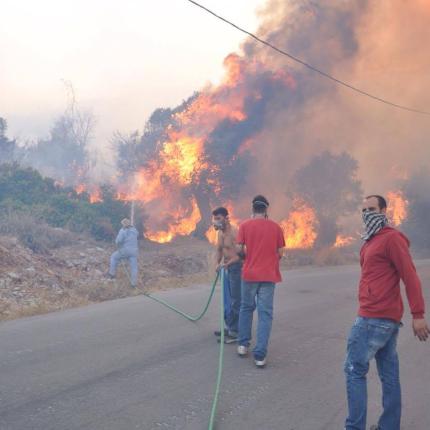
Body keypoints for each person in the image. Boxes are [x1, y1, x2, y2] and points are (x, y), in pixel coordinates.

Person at [344, 195, 429, 430]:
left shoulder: (391, 239)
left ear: (383, 210)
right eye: (363, 210)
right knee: (389, 375)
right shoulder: (371, 240)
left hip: (374, 317)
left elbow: (409, 275)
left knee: (353, 370)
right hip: (385, 319)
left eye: (371, 209)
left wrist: (418, 314)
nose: (367, 214)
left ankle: (354, 427)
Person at [236, 195, 285, 367]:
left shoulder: (244, 225)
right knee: (265, 314)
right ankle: (260, 355)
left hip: (249, 275)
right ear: (266, 210)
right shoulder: (276, 227)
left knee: (246, 308)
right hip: (268, 276)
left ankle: (243, 344)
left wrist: (248, 257)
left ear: (253, 208)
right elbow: (281, 253)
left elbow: (239, 250)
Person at [212, 207, 242, 342]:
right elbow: (219, 250)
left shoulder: (235, 232)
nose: (216, 221)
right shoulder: (220, 233)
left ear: (226, 218)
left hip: (236, 268)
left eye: (218, 218)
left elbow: (241, 255)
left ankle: (235, 332)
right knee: (227, 301)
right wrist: (217, 264)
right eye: (214, 218)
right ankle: (230, 326)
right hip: (226, 268)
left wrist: (228, 264)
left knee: (236, 300)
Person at [108, 218, 139, 288]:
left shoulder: (123, 230)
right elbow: (136, 236)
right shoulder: (134, 230)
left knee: (113, 257)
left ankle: (112, 274)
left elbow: (118, 241)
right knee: (134, 267)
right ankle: (134, 284)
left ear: (123, 224)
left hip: (125, 250)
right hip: (134, 251)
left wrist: (117, 245)